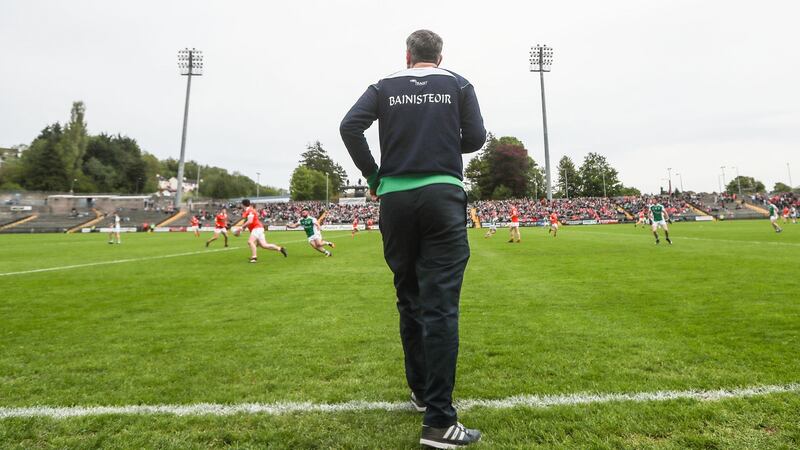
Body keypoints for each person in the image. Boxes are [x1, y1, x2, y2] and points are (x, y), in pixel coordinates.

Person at [340, 29, 486, 448]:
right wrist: (440, 141)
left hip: (396, 200)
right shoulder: (458, 83)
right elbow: (476, 138)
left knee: (409, 297)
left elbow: (350, 126)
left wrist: (374, 176)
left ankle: (422, 394)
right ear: (439, 57)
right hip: (441, 195)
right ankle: (440, 421)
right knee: (440, 304)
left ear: (407, 55)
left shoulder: (383, 85)